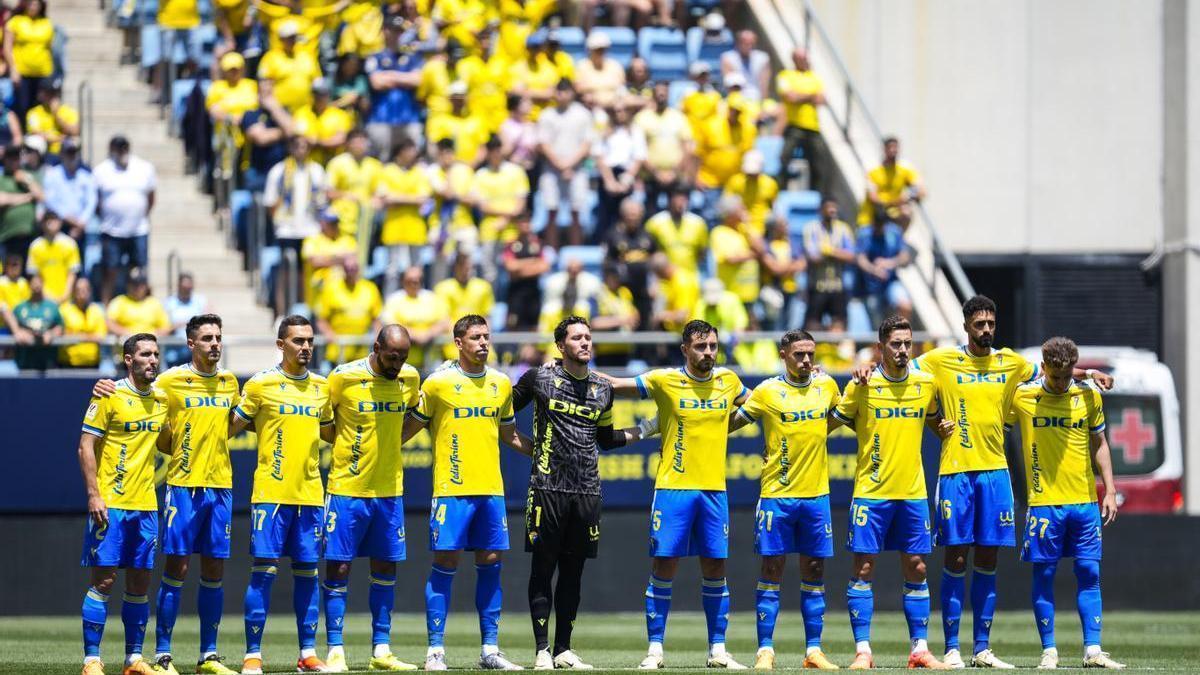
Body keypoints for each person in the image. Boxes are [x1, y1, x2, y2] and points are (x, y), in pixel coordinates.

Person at [868, 296, 1110, 668]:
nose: (986, 330)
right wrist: (869, 369)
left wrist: (1089, 375)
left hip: (996, 474)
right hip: (955, 473)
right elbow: (899, 367)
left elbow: (1051, 373)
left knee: (987, 558)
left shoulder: (1009, 362)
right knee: (956, 556)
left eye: (991, 324)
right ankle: (951, 648)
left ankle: (981, 648)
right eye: (979, 324)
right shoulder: (940, 360)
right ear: (966, 326)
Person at [92, 315, 242, 674]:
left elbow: (230, 427)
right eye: (207, 338)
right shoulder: (170, 381)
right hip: (182, 486)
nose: (215, 344)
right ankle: (162, 655)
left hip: (221, 486)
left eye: (219, 337)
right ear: (191, 344)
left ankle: (208, 655)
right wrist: (105, 386)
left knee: (215, 569)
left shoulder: (229, 382)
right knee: (178, 566)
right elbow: (137, 391)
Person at [602, 320, 751, 669]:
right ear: (685, 349)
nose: (709, 353)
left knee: (716, 566)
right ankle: (655, 649)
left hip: (714, 490)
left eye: (713, 346)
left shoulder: (728, 381)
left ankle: (717, 649)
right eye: (701, 347)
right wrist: (572, 371)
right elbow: (617, 386)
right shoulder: (664, 380)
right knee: (664, 564)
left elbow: (758, 405)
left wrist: (730, 424)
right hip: (673, 489)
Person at [512, 317, 647, 668]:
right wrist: (530, 447)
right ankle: (541, 649)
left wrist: (648, 429)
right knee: (543, 568)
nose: (585, 342)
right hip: (547, 489)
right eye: (577, 337)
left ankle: (563, 649)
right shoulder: (539, 378)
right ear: (561, 346)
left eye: (588, 337)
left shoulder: (603, 389)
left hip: (587, 491)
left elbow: (606, 440)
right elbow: (500, 411)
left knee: (573, 572)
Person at [400, 315, 531, 671]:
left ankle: (490, 649)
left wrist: (546, 452)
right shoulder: (439, 383)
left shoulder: (501, 383)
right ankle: (435, 652)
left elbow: (510, 434)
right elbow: (408, 429)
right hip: (451, 491)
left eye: (487, 336)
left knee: (490, 564)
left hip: (491, 491)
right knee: (445, 563)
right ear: (458, 342)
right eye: (476, 337)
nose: (484, 343)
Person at [827, 315, 949, 670]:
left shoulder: (926, 384)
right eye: (895, 344)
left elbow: (932, 419)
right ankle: (863, 651)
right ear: (880, 348)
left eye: (907, 343)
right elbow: (827, 424)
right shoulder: (861, 386)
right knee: (863, 568)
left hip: (912, 492)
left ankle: (920, 649)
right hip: (871, 492)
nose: (903, 350)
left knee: (918, 566)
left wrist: (942, 428)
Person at [724, 330, 841, 670]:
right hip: (777, 495)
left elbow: (842, 416)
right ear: (783, 355)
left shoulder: (828, 387)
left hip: (817, 495)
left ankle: (814, 651)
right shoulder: (766, 391)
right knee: (772, 568)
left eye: (810, 354)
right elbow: (732, 424)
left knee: (815, 569)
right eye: (799, 354)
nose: (806, 360)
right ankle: (765, 650)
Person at [1007, 337, 1125, 670]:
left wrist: (1110, 489)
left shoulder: (1088, 396)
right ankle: (1049, 650)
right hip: (1044, 504)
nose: (1061, 383)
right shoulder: (1024, 396)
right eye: (1055, 376)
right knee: (1043, 574)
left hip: (1084, 501)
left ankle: (1093, 650)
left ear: (1074, 370)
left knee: (1089, 572)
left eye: (1067, 375)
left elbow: (1100, 444)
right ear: (1043, 368)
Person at [229, 315, 334, 674]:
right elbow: (228, 427)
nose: (305, 347)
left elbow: (333, 432)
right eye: (297, 341)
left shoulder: (322, 387)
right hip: (271, 496)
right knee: (263, 573)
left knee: (308, 574)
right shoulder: (260, 385)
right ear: (280, 345)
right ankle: (252, 655)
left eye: (309, 341)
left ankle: (307, 653)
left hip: (309, 496)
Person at [318, 325, 421, 672]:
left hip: (390, 491)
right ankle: (335, 648)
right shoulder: (343, 378)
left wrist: (390, 446)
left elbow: (410, 420)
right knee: (339, 565)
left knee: (386, 565)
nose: (398, 363)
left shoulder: (410, 379)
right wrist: (351, 447)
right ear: (376, 348)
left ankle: (381, 649)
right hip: (347, 489)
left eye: (403, 357)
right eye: (392, 356)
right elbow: (323, 424)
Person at [76, 334, 169, 675]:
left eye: (156, 354)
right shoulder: (109, 395)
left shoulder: (161, 399)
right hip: (111, 504)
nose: (152, 359)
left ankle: (133, 659)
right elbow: (85, 446)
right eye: (145, 354)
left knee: (140, 584)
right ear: (128, 359)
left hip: (146, 505)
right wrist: (93, 494)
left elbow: (169, 442)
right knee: (104, 581)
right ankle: (92, 660)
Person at [264, 136, 327, 313]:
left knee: (306, 274)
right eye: (297, 146)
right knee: (285, 272)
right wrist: (279, 221)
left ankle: (303, 311)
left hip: (310, 228)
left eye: (305, 146)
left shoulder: (316, 170)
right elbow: (270, 202)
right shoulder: (279, 170)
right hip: (287, 229)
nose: (301, 150)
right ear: (290, 148)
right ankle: (281, 312)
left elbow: (322, 202)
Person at [94, 136, 156, 303]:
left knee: (140, 272)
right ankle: (107, 308)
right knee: (110, 271)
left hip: (138, 229)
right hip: (111, 230)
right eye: (117, 148)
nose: (121, 151)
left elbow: (151, 197)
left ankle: (145, 307)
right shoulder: (101, 170)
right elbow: (96, 202)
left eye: (124, 147)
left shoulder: (144, 167)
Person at [537, 80, 594, 248]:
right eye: (559, 91)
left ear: (572, 93)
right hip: (552, 168)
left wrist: (569, 165)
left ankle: (575, 250)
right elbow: (543, 144)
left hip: (576, 168)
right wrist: (560, 165)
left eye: (566, 91)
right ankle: (551, 250)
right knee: (551, 210)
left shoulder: (583, 114)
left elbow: (586, 144)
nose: (562, 95)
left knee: (576, 211)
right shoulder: (547, 114)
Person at [375, 135, 432, 294]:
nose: (413, 153)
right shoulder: (387, 171)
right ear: (399, 152)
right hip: (394, 228)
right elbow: (384, 198)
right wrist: (411, 199)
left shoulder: (420, 172)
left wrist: (397, 198)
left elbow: (423, 199)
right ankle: (390, 304)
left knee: (416, 271)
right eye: (409, 149)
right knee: (392, 271)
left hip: (415, 228)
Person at [471, 136, 530, 279]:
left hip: (512, 230)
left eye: (497, 150)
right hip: (489, 229)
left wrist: (505, 219)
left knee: (512, 270)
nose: (495, 154)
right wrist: (506, 214)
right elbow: (482, 206)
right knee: (489, 271)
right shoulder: (481, 175)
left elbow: (521, 203)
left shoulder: (516, 171)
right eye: (492, 151)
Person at [365, 14, 424, 156]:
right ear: (385, 31)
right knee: (382, 161)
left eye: (400, 31)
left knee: (410, 162)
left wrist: (389, 75)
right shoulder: (375, 56)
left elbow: (417, 80)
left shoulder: (411, 57)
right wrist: (404, 78)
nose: (398, 35)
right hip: (381, 119)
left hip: (408, 118)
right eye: (394, 30)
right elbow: (377, 83)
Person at [634, 82, 694, 212]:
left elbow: (687, 148)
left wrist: (674, 172)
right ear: (653, 94)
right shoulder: (642, 118)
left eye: (664, 93)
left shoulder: (679, 117)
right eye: (658, 92)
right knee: (650, 214)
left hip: (675, 176)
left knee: (677, 212)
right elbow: (638, 149)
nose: (661, 95)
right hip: (650, 177)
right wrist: (656, 173)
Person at [592, 100, 645, 241]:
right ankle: (606, 244)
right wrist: (609, 181)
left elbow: (639, 157)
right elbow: (599, 156)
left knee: (626, 213)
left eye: (622, 111)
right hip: (608, 176)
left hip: (626, 176)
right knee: (606, 214)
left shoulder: (635, 131)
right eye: (615, 111)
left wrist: (627, 180)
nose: (619, 114)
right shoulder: (605, 132)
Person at [776, 48, 828, 193]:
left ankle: (817, 195)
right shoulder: (785, 75)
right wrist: (811, 96)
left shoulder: (814, 77)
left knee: (819, 163)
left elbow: (822, 99)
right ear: (794, 59)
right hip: (794, 125)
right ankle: (781, 191)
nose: (806, 61)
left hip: (813, 127)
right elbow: (790, 97)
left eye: (806, 58)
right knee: (784, 158)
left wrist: (801, 96)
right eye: (802, 58)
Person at [802, 197, 855, 332]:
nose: (832, 210)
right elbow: (813, 257)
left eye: (834, 207)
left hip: (837, 287)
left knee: (839, 325)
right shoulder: (811, 229)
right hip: (817, 286)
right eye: (829, 207)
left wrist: (829, 251)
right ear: (821, 210)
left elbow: (850, 256)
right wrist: (837, 254)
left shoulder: (843, 229)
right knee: (811, 326)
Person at [379, 265, 448, 370]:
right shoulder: (394, 299)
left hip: (431, 362)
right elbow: (389, 324)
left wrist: (427, 335)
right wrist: (415, 336)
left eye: (418, 280)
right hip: (403, 363)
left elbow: (444, 321)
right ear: (403, 281)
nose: (414, 283)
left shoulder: (431, 297)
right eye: (410, 280)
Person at [315, 258, 381, 365]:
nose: (351, 271)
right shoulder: (331, 288)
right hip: (338, 352)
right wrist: (330, 336)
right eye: (347, 268)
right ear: (343, 270)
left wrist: (377, 339)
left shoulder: (370, 288)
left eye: (354, 268)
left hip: (361, 352)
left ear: (359, 269)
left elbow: (376, 319)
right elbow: (321, 320)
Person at [603, 198, 655, 329]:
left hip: (644, 291)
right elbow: (607, 263)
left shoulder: (647, 235)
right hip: (623, 291)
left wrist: (654, 283)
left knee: (645, 327)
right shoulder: (613, 235)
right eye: (630, 214)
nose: (633, 218)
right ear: (623, 215)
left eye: (636, 214)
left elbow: (655, 259)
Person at [433, 253, 494, 359]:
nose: (467, 271)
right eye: (463, 267)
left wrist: (483, 339)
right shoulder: (443, 288)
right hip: (453, 347)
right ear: (455, 267)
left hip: (480, 344)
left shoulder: (483, 287)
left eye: (469, 267)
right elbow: (444, 321)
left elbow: (487, 318)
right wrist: (466, 340)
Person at [858, 136, 925, 229]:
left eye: (895, 147)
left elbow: (921, 190)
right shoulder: (873, 171)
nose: (893, 150)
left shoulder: (904, 170)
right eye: (890, 147)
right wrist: (895, 202)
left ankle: (897, 237)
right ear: (884, 149)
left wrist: (908, 195)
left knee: (906, 211)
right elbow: (873, 198)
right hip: (872, 219)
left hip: (892, 216)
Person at [856, 217, 913, 325]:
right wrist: (874, 270)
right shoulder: (864, 234)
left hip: (891, 282)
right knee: (877, 326)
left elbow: (905, 256)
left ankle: (903, 335)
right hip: (870, 287)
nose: (879, 229)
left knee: (905, 305)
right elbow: (860, 259)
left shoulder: (894, 232)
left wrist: (890, 263)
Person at [4, 0, 55, 121]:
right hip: (22, 72)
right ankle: (21, 134)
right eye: (30, 4)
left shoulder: (46, 23)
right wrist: (13, 69)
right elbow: (7, 48)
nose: (33, 7)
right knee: (22, 106)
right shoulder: (15, 22)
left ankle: (36, 135)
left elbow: (50, 48)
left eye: (36, 4)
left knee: (38, 108)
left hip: (43, 72)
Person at [256, 19, 321, 113]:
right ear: (281, 39)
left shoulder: (307, 56)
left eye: (294, 37)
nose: (292, 40)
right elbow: (264, 87)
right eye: (289, 37)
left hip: (306, 112)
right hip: (280, 113)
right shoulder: (271, 58)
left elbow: (317, 83)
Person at [41, 137, 98, 241]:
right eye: (69, 152)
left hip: (80, 228)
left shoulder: (86, 176)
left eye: (74, 152)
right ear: (62, 154)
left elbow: (91, 201)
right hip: (58, 226)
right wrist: (70, 220)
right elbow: (50, 200)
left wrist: (80, 223)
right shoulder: (52, 175)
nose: (72, 156)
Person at [644, 183, 707, 275]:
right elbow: (648, 251)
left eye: (684, 199)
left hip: (690, 277)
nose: (680, 203)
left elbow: (702, 252)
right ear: (669, 200)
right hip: (664, 280)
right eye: (677, 199)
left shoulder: (698, 223)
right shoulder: (655, 223)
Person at [502, 215, 550, 332]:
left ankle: (531, 350)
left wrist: (519, 271)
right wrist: (532, 261)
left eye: (527, 222)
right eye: (522, 223)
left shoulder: (538, 244)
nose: (525, 226)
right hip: (516, 292)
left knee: (534, 325)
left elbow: (544, 266)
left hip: (533, 291)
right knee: (513, 324)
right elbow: (510, 266)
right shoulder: (511, 244)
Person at [295, 78, 355, 167]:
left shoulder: (339, 115)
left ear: (328, 94)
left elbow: (340, 139)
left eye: (323, 94)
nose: (319, 97)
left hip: (332, 163)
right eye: (316, 94)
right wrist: (326, 141)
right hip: (307, 164)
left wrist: (317, 142)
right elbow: (297, 138)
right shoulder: (302, 113)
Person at [26, 211, 80, 304]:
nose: (50, 223)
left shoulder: (69, 244)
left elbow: (72, 273)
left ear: (60, 222)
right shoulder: (36, 246)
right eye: (47, 220)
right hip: (43, 300)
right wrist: (46, 296)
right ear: (42, 224)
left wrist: (65, 296)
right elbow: (34, 275)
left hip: (66, 300)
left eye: (54, 219)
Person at [0, 143, 41, 261]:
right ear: (5, 159)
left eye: (16, 158)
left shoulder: (27, 176)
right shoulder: (2, 178)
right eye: (10, 158)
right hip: (8, 236)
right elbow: (1, 200)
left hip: (30, 235)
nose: (13, 161)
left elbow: (40, 196)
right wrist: (27, 197)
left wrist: (26, 180)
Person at [12, 272, 61, 369]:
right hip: (25, 359)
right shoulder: (20, 308)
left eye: (39, 282)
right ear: (29, 285)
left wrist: (51, 334)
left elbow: (60, 326)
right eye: (34, 282)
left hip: (47, 360)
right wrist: (18, 332)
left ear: (43, 284)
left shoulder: (52, 307)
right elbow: (14, 328)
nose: (36, 285)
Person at [58, 277, 107, 368]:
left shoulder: (96, 310)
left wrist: (78, 336)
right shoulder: (64, 310)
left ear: (90, 292)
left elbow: (100, 336)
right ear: (73, 292)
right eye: (79, 290)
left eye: (85, 290)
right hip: (68, 364)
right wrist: (89, 336)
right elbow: (61, 335)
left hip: (92, 364)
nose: (82, 293)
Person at [24, 78, 79, 155]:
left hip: (64, 152)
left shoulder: (68, 111)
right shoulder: (34, 112)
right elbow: (36, 133)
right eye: (49, 93)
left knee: (73, 142)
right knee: (34, 141)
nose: (52, 96)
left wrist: (56, 115)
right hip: (43, 153)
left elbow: (75, 132)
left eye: (54, 93)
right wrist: (60, 138)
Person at [575, 32, 625, 108]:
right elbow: (578, 89)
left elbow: (621, 88)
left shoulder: (616, 66)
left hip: (616, 106)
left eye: (603, 49)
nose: (600, 52)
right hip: (591, 107)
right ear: (590, 50)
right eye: (597, 50)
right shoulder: (581, 66)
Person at [719, 30, 769, 103]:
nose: (749, 46)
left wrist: (763, 105)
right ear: (738, 43)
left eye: (751, 44)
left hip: (756, 99)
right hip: (736, 101)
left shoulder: (763, 58)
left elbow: (764, 85)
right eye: (745, 43)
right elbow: (731, 86)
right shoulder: (727, 58)